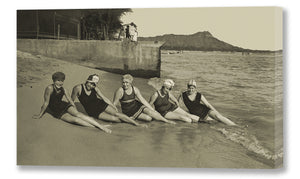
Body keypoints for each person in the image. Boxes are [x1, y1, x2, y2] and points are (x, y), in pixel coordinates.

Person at [33, 72, 112, 133]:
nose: (60, 83)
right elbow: (46, 103)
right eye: (58, 80)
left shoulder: (64, 89)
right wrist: (40, 115)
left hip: (64, 105)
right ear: (53, 80)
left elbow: (70, 100)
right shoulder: (49, 88)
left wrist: (74, 109)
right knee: (75, 120)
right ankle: (98, 126)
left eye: (62, 81)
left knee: (78, 114)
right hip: (56, 110)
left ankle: (101, 127)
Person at [71, 74, 147, 128]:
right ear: (87, 81)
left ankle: (136, 124)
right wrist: (74, 113)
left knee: (117, 114)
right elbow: (72, 101)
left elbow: (104, 98)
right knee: (115, 119)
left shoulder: (95, 88)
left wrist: (113, 106)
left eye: (94, 84)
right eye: (90, 83)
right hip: (93, 111)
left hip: (101, 104)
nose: (91, 86)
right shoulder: (78, 88)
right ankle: (131, 118)